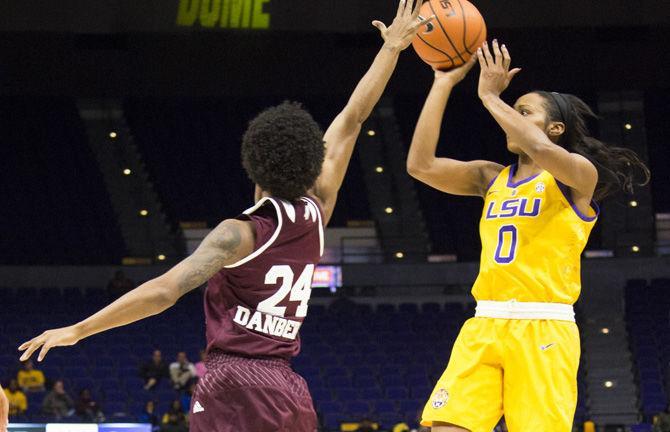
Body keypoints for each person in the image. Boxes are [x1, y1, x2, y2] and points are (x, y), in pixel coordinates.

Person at [17, 2, 431, 431]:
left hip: (234, 381)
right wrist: (391, 50)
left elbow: (164, 292)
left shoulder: (240, 233)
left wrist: (79, 330)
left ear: (253, 163)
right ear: (309, 162)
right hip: (288, 386)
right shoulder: (318, 210)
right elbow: (351, 119)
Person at [406, 40, 650, 432]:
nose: (509, 119)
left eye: (523, 112)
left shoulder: (577, 174)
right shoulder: (491, 177)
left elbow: (537, 146)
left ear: (555, 128)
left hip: (544, 328)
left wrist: (489, 96)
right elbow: (420, 165)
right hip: (485, 323)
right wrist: (443, 82)